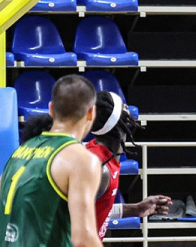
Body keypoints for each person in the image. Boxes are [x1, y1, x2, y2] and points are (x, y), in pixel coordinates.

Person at [21, 91, 172, 241]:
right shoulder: (99, 167)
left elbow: (91, 209)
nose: (128, 107)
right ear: (120, 121)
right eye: (124, 107)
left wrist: (136, 209)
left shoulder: (102, 156)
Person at [0, 75, 103, 247]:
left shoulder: (20, 152)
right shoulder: (81, 159)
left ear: (51, 109)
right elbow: (84, 240)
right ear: (91, 112)